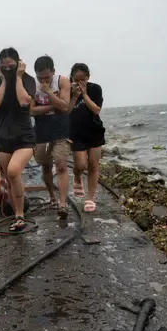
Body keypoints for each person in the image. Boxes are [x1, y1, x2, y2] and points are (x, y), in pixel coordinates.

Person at [0, 48, 36, 230]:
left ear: (19, 64)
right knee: (8, 178)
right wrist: (2, 82)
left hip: (24, 137)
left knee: (14, 171)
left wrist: (17, 78)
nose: (8, 69)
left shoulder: (27, 80)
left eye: (11, 66)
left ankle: (20, 215)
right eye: (4, 66)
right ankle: (17, 215)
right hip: (3, 138)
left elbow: (25, 101)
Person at [31, 55, 71, 218]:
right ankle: (52, 196)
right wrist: (52, 105)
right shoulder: (31, 84)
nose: (43, 81)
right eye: (40, 78)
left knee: (61, 166)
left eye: (47, 77)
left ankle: (63, 204)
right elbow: (30, 110)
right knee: (45, 166)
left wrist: (48, 91)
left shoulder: (62, 81)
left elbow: (64, 106)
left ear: (53, 72)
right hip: (41, 132)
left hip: (61, 131)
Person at [69, 63, 105, 213]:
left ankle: (90, 198)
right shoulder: (68, 90)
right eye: (76, 80)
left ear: (88, 77)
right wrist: (74, 95)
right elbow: (66, 111)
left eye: (82, 80)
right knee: (80, 164)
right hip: (75, 133)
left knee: (93, 165)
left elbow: (96, 110)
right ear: (71, 78)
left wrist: (84, 94)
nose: (79, 83)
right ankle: (76, 176)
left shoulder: (95, 89)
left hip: (94, 131)